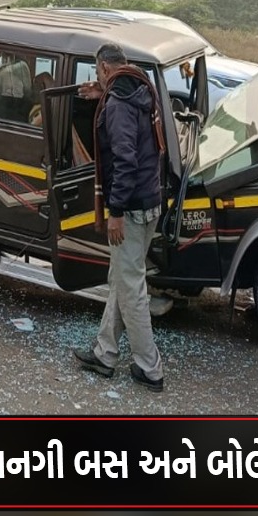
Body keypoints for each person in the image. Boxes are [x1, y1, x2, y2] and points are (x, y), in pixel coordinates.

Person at [72, 42, 167, 392]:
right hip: (150, 200)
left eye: (99, 74)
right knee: (122, 279)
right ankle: (105, 353)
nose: (98, 79)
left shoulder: (118, 104)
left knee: (132, 290)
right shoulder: (141, 86)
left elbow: (124, 160)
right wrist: (103, 94)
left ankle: (150, 368)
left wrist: (116, 212)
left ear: (104, 69)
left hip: (132, 208)